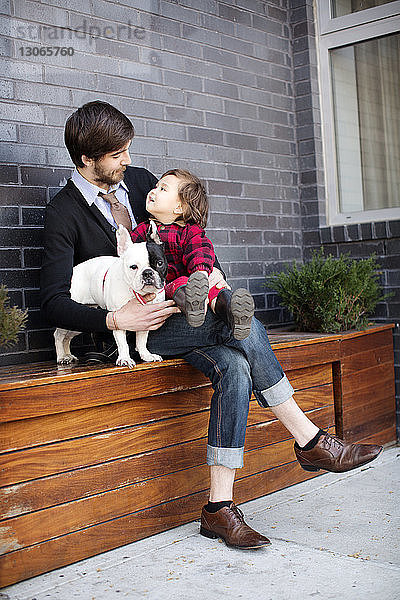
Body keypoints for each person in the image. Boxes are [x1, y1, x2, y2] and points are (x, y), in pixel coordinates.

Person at [40, 101, 382, 550]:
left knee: (236, 366)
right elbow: (51, 303)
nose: (128, 161)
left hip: (186, 315)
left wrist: (214, 276)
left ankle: (219, 510)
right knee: (240, 327)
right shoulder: (63, 212)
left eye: (128, 150)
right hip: (129, 336)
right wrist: (112, 317)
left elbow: (191, 232)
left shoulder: (141, 183)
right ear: (87, 159)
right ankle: (310, 439)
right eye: (117, 154)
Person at [130, 168, 255, 340]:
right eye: (156, 186)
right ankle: (193, 307)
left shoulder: (191, 232)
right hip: (169, 285)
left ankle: (233, 311)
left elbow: (200, 251)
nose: (153, 190)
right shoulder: (144, 230)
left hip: (196, 280)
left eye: (162, 189)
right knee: (181, 285)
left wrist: (201, 274)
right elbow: (129, 254)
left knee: (216, 289)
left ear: (179, 207)